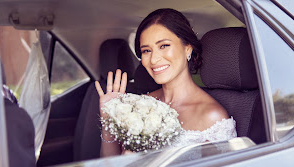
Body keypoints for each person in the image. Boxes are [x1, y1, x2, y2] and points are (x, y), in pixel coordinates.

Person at [95, 8, 237, 157]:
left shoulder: (212, 117)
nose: (154, 59)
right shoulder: (140, 106)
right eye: (146, 51)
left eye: (164, 46)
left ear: (187, 48)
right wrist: (108, 120)